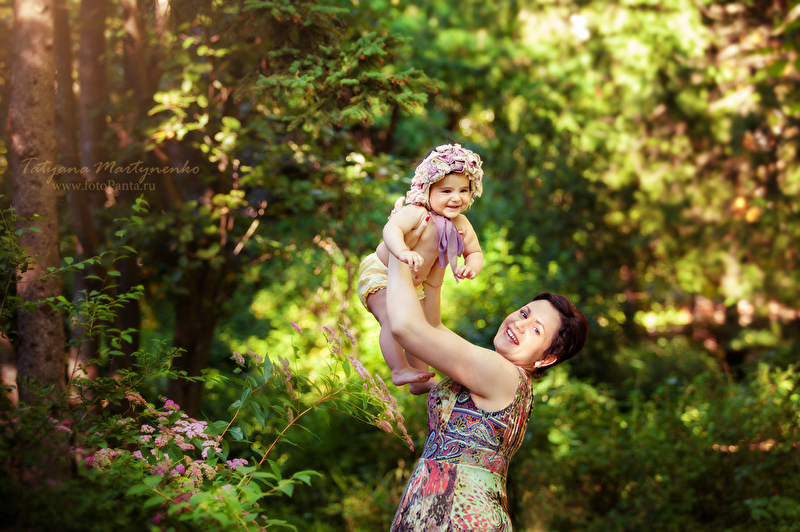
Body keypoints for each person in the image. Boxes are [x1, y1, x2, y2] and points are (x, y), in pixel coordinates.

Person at [384, 235, 589, 531]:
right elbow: (432, 328)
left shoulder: (502, 373)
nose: (519, 324)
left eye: (535, 330)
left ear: (546, 359)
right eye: (524, 313)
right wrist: (438, 261)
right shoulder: (511, 380)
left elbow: (407, 327)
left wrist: (398, 245)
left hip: (458, 520)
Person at [357, 144, 485, 393]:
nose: (456, 197)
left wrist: (471, 267)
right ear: (428, 190)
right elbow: (391, 229)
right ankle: (398, 369)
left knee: (420, 329)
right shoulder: (416, 212)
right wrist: (402, 251)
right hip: (382, 272)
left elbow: (475, 252)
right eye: (446, 191)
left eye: (463, 190)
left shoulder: (462, 223)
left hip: (414, 285)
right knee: (392, 317)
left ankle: (420, 379)